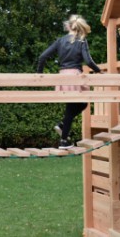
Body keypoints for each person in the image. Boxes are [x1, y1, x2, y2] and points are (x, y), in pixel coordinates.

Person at [37, 14, 102, 149]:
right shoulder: (82, 41)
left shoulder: (60, 41)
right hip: (75, 76)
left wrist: (39, 74)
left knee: (77, 105)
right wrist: (98, 71)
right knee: (80, 105)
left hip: (63, 76)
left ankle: (62, 129)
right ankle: (63, 140)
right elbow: (88, 61)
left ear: (69, 26)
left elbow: (42, 56)